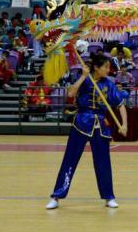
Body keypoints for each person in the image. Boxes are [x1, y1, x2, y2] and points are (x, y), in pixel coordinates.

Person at [46, 54, 128, 210]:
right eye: (105, 67)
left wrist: (124, 125)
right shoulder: (84, 78)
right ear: (96, 68)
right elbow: (70, 94)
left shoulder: (109, 85)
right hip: (81, 122)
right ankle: (56, 196)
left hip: (101, 126)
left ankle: (109, 196)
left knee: (103, 163)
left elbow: (121, 105)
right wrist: (83, 76)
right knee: (70, 159)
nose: (108, 70)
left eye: (109, 67)